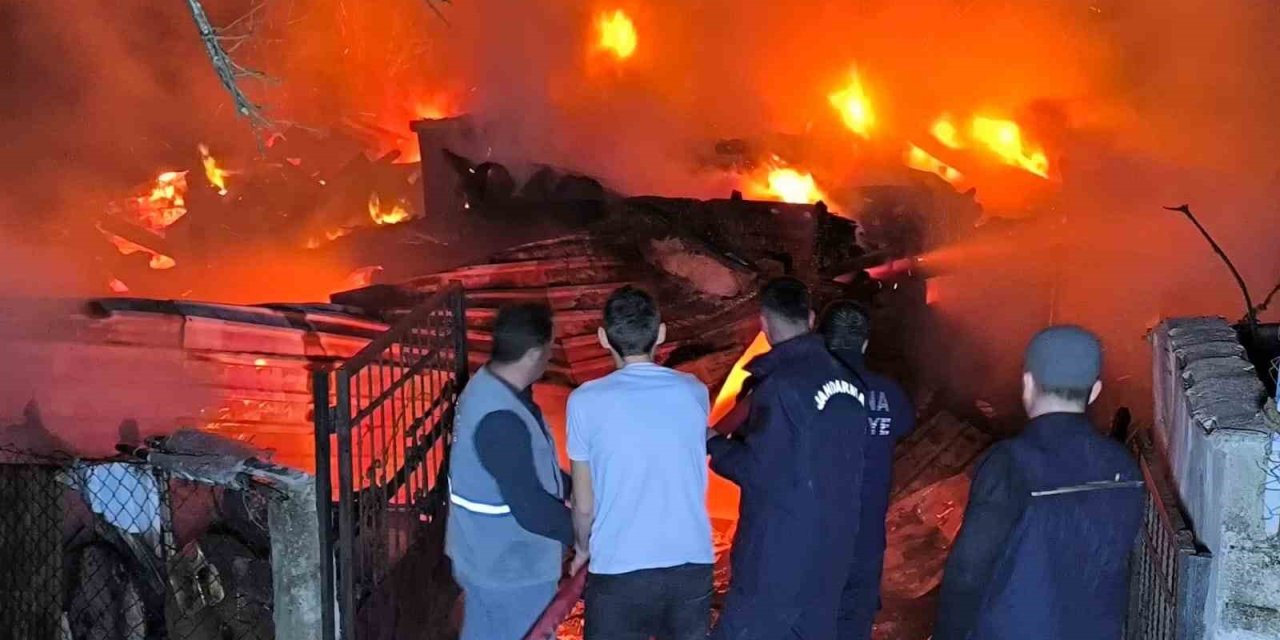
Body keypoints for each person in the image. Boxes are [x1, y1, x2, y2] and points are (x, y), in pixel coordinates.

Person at [935, 325, 1145, 640]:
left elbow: (968, 572)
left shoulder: (1010, 463)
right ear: (1096, 390)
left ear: (1028, 384)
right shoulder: (1124, 467)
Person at [709, 277, 872, 640]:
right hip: (834, 547)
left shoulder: (780, 387)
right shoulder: (848, 384)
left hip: (779, 552)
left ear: (763, 325)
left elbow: (760, 470)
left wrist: (715, 448)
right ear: (811, 318)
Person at [568, 286, 715, 639]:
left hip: (620, 567)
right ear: (661, 333)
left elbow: (584, 504)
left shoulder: (585, 401)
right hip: (691, 562)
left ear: (603, 338)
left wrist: (582, 549)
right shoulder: (694, 390)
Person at [445, 302, 573, 640]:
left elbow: (527, 469)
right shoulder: (501, 419)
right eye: (549, 347)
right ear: (533, 354)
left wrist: (574, 488)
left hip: (483, 554)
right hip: (511, 567)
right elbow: (531, 510)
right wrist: (589, 534)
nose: (550, 356)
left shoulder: (489, 387)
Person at [817, 300, 916, 640]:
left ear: (824, 340)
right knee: (853, 624)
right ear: (865, 342)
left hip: (813, 535)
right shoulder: (889, 393)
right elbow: (901, 426)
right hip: (866, 535)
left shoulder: (802, 388)